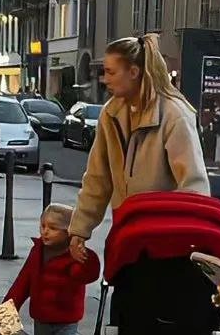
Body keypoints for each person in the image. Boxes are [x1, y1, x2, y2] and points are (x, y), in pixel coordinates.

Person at [68, 33, 209, 264]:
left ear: (133, 72)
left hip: (165, 241)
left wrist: (189, 240)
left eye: (111, 72)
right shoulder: (111, 113)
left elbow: (194, 184)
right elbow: (97, 177)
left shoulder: (174, 114)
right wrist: (79, 229)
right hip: (126, 234)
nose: (105, 79)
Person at [4, 204, 101, 335]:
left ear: (69, 232)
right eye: (42, 226)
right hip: (41, 318)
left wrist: (84, 255)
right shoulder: (37, 250)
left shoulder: (74, 255)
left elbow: (87, 274)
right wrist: (5, 313)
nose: (45, 232)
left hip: (65, 320)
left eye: (53, 228)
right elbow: (22, 283)